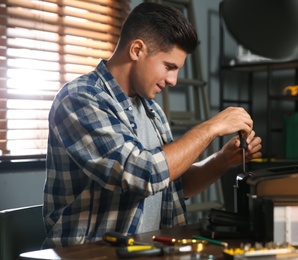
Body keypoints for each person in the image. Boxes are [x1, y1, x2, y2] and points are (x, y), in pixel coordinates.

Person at [43, 2, 262, 247]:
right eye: (169, 67)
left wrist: (221, 161)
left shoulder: (152, 110)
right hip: (89, 254)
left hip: (148, 250)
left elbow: (172, 185)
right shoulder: (80, 99)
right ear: (137, 50)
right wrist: (210, 128)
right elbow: (143, 174)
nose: (173, 80)